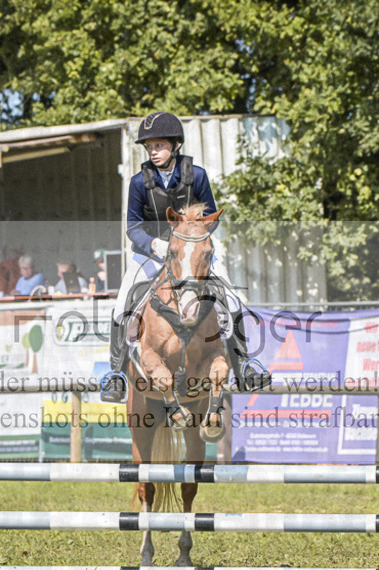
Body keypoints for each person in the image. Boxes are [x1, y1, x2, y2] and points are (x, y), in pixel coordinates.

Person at [99, 112, 271, 403]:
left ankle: (244, 365)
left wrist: (194, 236)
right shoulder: (139, 182)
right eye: (150, 147)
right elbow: (132, 227)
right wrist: (155, 245)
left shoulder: (198, 175)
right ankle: (116, 375)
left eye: (159, 145)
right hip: (151, 253)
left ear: (175, 145)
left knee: (233, 300)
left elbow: (212, 218)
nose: (154, 152)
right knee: (122, 304)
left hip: (192, 251)